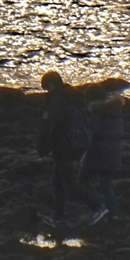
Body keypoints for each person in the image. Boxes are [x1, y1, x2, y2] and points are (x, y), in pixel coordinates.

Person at [36, 70, 92, 226]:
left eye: (47, 87)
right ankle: (57, 216)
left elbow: (55, 126)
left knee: (70, 182)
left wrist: (45, 146)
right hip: (72, 143)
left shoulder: (58, 100)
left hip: (62, 146)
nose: (47, 91)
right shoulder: (73, 97)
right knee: (58, 182)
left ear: (51, 85)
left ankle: (96, 207)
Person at [79, 77, 130, 224]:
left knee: (81, 181)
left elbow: (92, 132)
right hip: (113, 151)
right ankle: (112, 213)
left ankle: (100, 208)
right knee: (106, 184)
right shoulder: (115, 109)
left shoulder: (98, 111)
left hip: (98, 152)